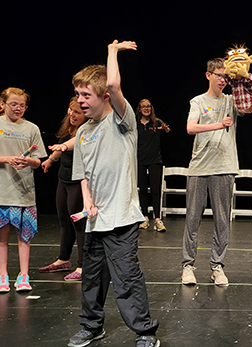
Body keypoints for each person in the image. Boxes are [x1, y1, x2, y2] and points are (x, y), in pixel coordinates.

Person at [68, 40, 159, 347]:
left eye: (85, 94)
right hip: (96, 220)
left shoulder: (122, 122)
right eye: (78, 94)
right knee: (92, 279)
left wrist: (111, 51)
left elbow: (113, 83)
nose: (79, 100)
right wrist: (88, 202)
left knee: (126, 279)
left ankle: (144, 330)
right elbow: (82, 175)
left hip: (121, 219)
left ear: (103, 96)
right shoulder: (82, 132)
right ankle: (92, 326)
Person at [182, 57, 252, 287]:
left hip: (224, 166)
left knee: (222, 220)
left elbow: (249, 107)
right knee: (193, 219)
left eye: (226, 76)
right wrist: (218, 124)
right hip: (199, 167)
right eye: (218, 75)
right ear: (208, 75)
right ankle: (187, 266)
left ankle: (217, 267)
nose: (222, 80)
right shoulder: (198, 101)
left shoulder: (232, 100)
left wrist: (244, 79)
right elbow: (190, 128)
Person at [0, 87, 47, 293]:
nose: (18, 108)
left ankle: (24, 275)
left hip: (24, 192)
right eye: (14, 104)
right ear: (3, 104)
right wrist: (7, 159)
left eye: (22, 105)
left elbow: (38, 161)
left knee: (25, 236)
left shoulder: (31, 128)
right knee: (1, 236)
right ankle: (2, 275)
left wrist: (28, 161)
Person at [38, 97, 88, 281]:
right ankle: (63, 259)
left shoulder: (87, 129)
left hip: (78, 180)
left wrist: (63, 147)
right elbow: (62, 146)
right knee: (64, 220)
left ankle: (83, 266)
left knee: (78, 223)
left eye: (77, 112)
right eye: (70, 110)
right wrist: (51, 159)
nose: (72, 115)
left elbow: (72, 143)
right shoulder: (69, 127)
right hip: (64, 178)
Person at [136, 99, 171, 232]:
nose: (146, 109)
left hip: (155, 161)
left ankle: (157, 219)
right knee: (143, 190)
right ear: (139, 109)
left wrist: (166, 130)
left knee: (155, 190)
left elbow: (169, 134)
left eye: (148, 106)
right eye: (143, 107)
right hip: (140, 161)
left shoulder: (157, 122)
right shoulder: (136, 124)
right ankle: (145, 217)